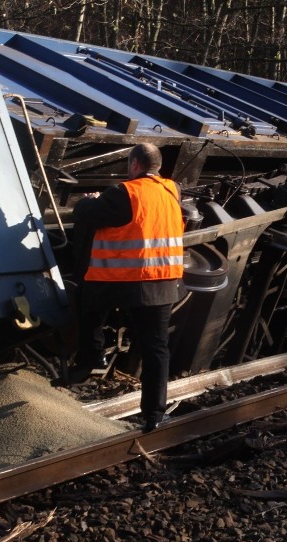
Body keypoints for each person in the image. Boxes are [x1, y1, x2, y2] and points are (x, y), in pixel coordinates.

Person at [71, 143, 185, 432]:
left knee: (87, 303)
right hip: (162, 282)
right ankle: (154, 415)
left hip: (124, 280)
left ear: (134, 165)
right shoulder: (172, 189)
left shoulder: (125, 192)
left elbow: (87, 214)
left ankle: (91, 357)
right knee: (156, 349)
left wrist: (88, 199)